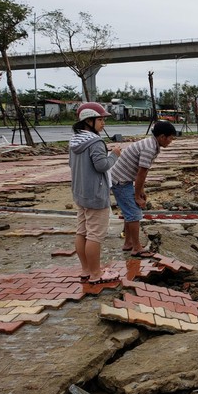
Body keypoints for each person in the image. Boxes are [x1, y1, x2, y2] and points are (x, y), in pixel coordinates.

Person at [69, 103, 122, 284]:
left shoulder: (75, 141)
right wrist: (114, 154)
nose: (103, 123)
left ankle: (86, 270)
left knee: (81, 232)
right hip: (95, 194)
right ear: (88, 120)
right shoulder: (96, 142)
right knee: (95, 235)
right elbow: (102, 166)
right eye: (100, 119)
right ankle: (96, 274)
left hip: (80, 192)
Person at [110, 121, 177, 256]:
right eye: (170, 138)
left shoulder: (151, 144)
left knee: (129, 213)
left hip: (123, 179)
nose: (171, 141)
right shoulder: (149, 148)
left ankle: (128, 243)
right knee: (134, 214)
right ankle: (136, 248)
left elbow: (140, 174)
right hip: (121, 181)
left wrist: (141, 191)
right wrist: (137, 195)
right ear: (162, 137)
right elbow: (141, 173)